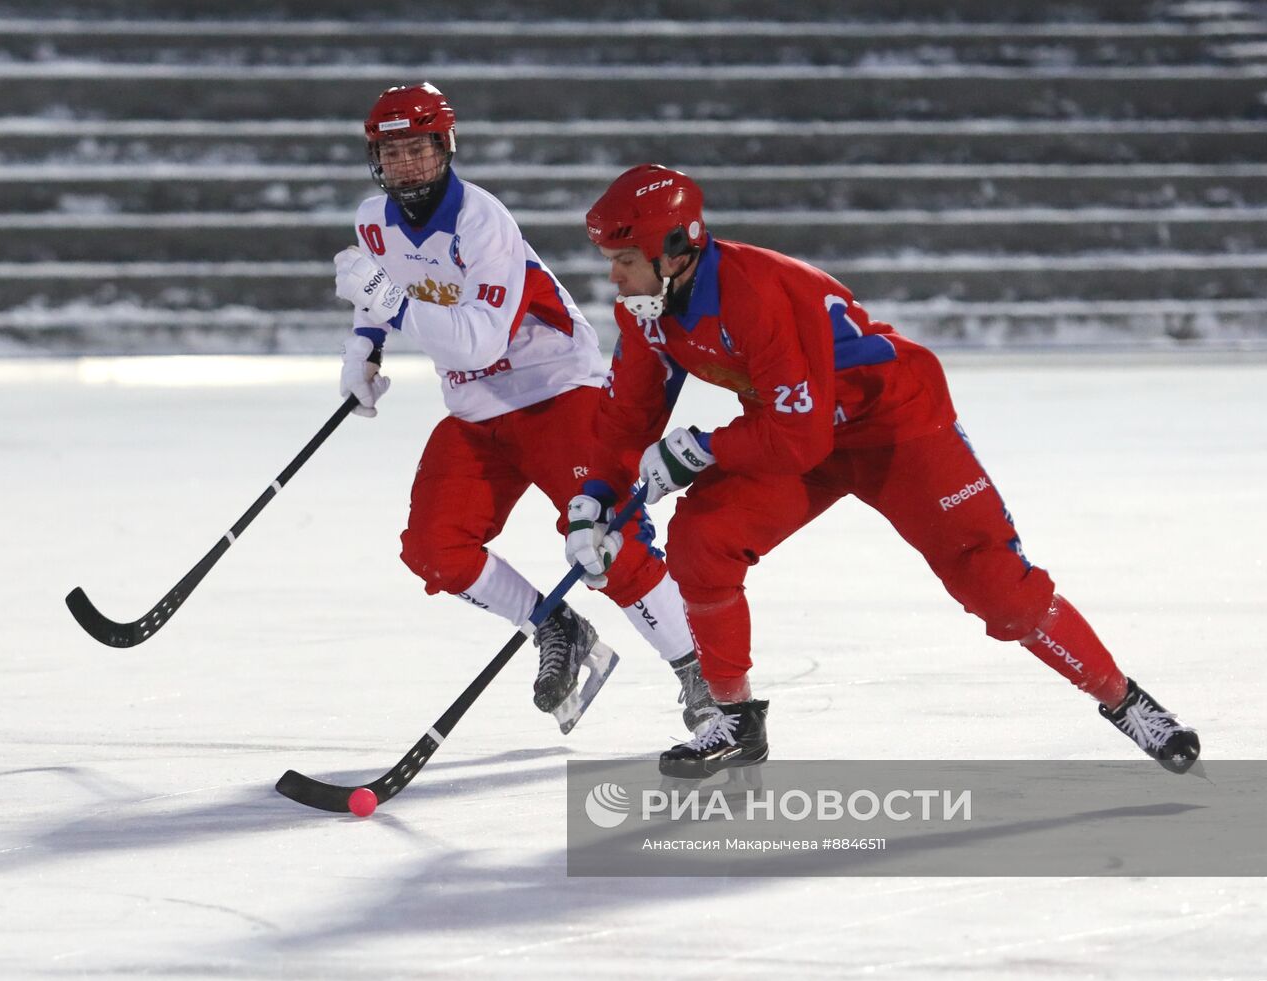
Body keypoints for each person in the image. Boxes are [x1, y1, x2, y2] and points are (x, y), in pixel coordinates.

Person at [564, 163, 1201, 777]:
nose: (613, 278)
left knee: (999, 590)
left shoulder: (754, 293)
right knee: (705, 540)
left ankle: (1125, 701)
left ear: (674, 252)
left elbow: (796, 439)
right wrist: (596, 497)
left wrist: (704, 448)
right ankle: (734, 720)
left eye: (624, 261)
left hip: (893, 424)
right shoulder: (648, 310)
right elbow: (628, 417)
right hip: (796, 427)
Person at [330, 85, 715, 732]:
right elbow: (381, 282)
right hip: (476, 408)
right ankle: (554, 624)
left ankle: (702, 677)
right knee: (434, 549)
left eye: (419, 150)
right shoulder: (374, 220)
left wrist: (390, 308)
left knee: (607, 544)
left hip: (557, 390)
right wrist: (364, 347)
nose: (408, 167)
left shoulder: (481, 222)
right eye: (392, 154)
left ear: (445, 147)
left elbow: (477, 335)